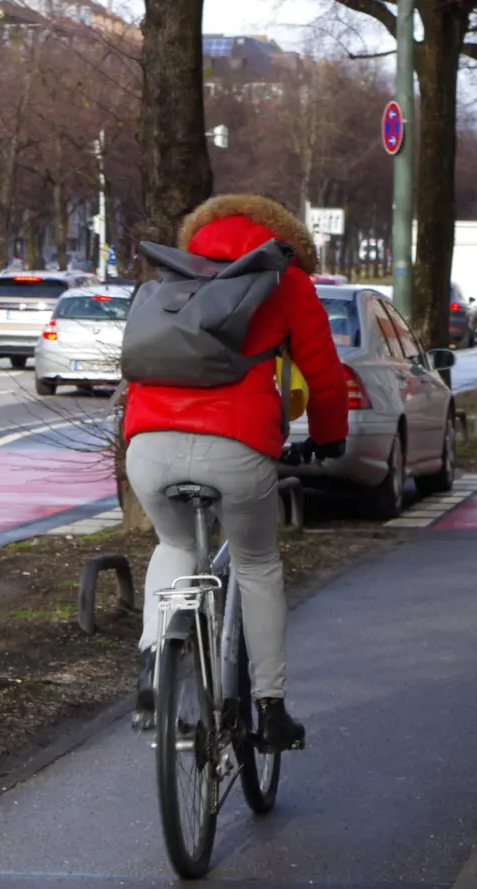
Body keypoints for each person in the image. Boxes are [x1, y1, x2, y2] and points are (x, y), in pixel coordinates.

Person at [123, 194, 349, 752]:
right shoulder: (287, 281)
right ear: (283, 239)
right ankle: (270, 709)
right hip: (238, 445)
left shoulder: (173, 276)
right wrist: (328, 436)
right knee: (256, 563)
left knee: (175, 544)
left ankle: (155, 660)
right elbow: (321, 372)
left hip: (148, 445)